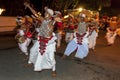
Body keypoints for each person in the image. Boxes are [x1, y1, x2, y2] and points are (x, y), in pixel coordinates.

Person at [27, 6, 57, 77]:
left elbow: (57, 19)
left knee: (51, 58)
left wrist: (54, 16)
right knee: (32, 50)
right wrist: (29, 6)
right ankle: (30, 61)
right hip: (40, 40)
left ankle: (54, 69)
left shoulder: (52, 22)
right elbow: (35, 13)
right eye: (45, 13)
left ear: (50, 15)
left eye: (46, 13)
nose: (45, 14)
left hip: (49, 42)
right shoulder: (43, 20)